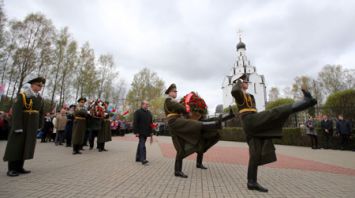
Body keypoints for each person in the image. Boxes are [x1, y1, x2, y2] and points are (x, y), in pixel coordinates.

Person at [231, 74, 317, 192]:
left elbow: (254, 110)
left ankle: (251, 182)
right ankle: (306, 102)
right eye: (244, 81)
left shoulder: (250, 96)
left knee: (255, 154)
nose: (247, 83)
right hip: (249, 121)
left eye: (246, 81)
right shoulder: (239, 95)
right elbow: (235, 90)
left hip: (254, 122)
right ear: (240, 83)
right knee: (276, 112)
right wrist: (238, 81)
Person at [164, 84, 234, 178]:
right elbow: (181, 108)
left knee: (183, 147)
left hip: (178, 123)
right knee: (195, 126)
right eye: (173, 91)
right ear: (169, 92)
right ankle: (217, 123)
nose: (176, 93)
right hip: (174, 122)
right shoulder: (168, 100)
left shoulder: (174, 101)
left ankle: (225, 117)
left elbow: (182, 109)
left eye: (176, 91)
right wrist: (187, 109)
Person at [3, 77, 45, 177]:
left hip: (32, 125)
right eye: (38, 85)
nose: (40, 87)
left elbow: (41, 113)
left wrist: (40, 125)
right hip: (22, 124)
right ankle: (11, 168)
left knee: (26, 146)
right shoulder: (23, 95)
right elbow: (16, 112)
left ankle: (20, 167)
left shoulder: (39, 98)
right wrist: (17, 126)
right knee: (16, 145)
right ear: (32, 85)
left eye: (41, 86)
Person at [133, 100, 153, 165]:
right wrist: (136, 132)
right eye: (146, 104)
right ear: (142, 105)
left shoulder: (149, 113)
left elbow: (151, 123)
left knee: (141, 144)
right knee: (142, 145)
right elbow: (135, 122)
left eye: (148, 104)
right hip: (140, 132)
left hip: (146, 132)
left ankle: (138, 158)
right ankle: (143, 159)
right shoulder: (138, 112)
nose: (147, 105)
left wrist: (151, 132)